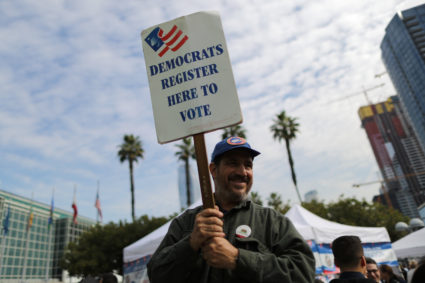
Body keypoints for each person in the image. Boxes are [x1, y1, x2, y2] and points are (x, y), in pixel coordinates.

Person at [147, 137, 316, 283]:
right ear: (213, 170)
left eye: (248, 165)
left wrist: (238, 258)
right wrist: (190, 243)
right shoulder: (186, 223)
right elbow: (156, 275)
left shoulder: (272, 222)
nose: (242, 172)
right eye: (233, 163)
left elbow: (303, 274)